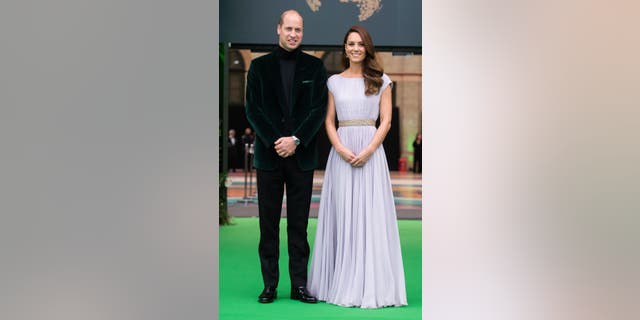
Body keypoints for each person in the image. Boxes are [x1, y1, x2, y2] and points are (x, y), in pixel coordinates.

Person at [307, 25, 407, 308]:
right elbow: (328, 120)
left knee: (369, 214)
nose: (355, 48)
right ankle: (340, 279)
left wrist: (369, 150)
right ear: (345, 48)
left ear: (367, 48)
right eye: (351, 44)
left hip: (370, 154)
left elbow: (385, 120)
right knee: (343, 214)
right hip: (341, 155)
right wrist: (339, 147)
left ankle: (369, 284)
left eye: (360, 44)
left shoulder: (381, 80)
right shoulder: (334, 82)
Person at [244, 9, 328, 304]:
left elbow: (318, 109)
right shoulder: (258, 67)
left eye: (299, 30)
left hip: (301, 158)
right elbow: (253, 109)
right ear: (278, 29)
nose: (294, 34)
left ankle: (299, 286)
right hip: (268, 158)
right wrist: (276, 141)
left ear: (302, 33)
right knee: (268, 225)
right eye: (289, 28)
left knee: (298, 226)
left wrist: (296, 140)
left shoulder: (315, 68)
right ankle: (270, 285)